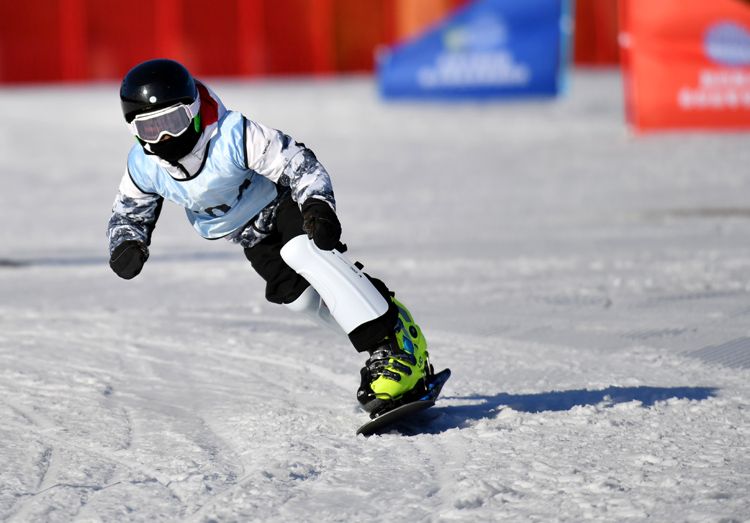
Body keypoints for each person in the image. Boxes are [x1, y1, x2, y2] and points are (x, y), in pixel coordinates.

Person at [107, 58, 435, 413]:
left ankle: (394, 346)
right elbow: (129, 211)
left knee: (304, 253)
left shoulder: (232, 134)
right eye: (151, 128)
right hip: (248, 234)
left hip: (282, 203)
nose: (166, 137)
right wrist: (127, 242)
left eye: (173, 121)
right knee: (301, 300)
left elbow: (297, 163)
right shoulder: (144, 164)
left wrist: (317, 207)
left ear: (196, 111)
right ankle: (385, 339)